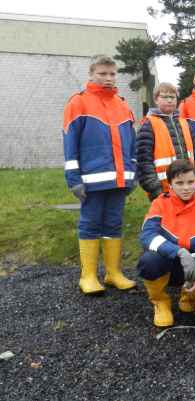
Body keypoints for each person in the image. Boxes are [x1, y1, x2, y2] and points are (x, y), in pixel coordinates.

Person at [62, 55, 136, 295]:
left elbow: (131, 144)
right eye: (102, 73)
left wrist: (131, 173)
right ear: (91, 74)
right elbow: (69, 143)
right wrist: (73, 178)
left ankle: (113, 273)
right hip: (91, 180)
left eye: (112, 74)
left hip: (119, 178)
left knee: (113, 224)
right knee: (90, 224)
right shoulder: (78, 103)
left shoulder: (123, 105)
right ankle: (88, 276)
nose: (108, 78)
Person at [137, 159, 195, 327]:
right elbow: (147, 235)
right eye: (179, 183)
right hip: (170, 261)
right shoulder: (160, 204)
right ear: (170, 184)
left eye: (190, 182)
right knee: (148, 262)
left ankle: (189, 294)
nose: (186, 188)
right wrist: (178, 252)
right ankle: (160, 302)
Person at [136, 82, 195, 200]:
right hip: (163, 191)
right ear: (156, 100)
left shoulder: (185, 123)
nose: (169, 100)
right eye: (164, 97)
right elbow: (144, 163)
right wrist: (155, 190)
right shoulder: (148, 125)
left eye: (172, 97)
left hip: (188, 188)